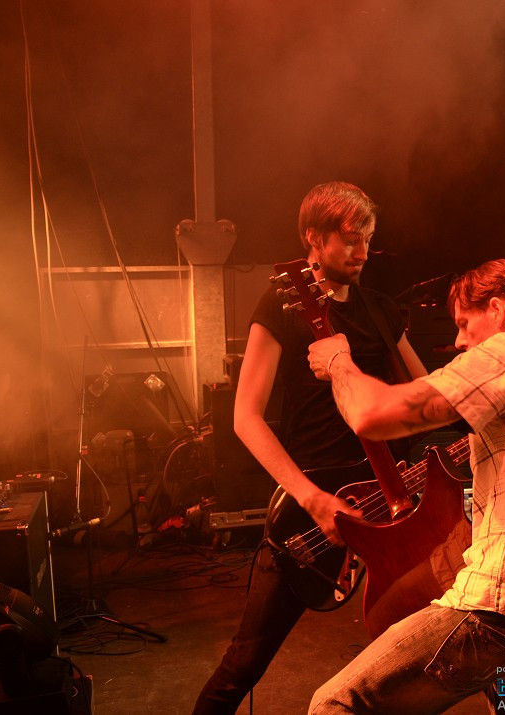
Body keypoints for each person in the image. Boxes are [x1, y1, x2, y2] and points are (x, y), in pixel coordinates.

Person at [307, 259, 505, 714]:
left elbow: (370, 415)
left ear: (496, 310)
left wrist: (339, 362)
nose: (458, 340)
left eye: (463, 323)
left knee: (337, 702)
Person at [192, 182, 428, 714]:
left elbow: (430, 396)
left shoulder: (385, 312)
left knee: (435, 642)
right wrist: (311, 499)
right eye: (349, 239)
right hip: (315, 504)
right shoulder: (281, 308)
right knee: (245, 662)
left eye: (368, 237)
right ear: (312, 241)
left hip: (389, 500)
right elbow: (244, 418)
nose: (363, 251)